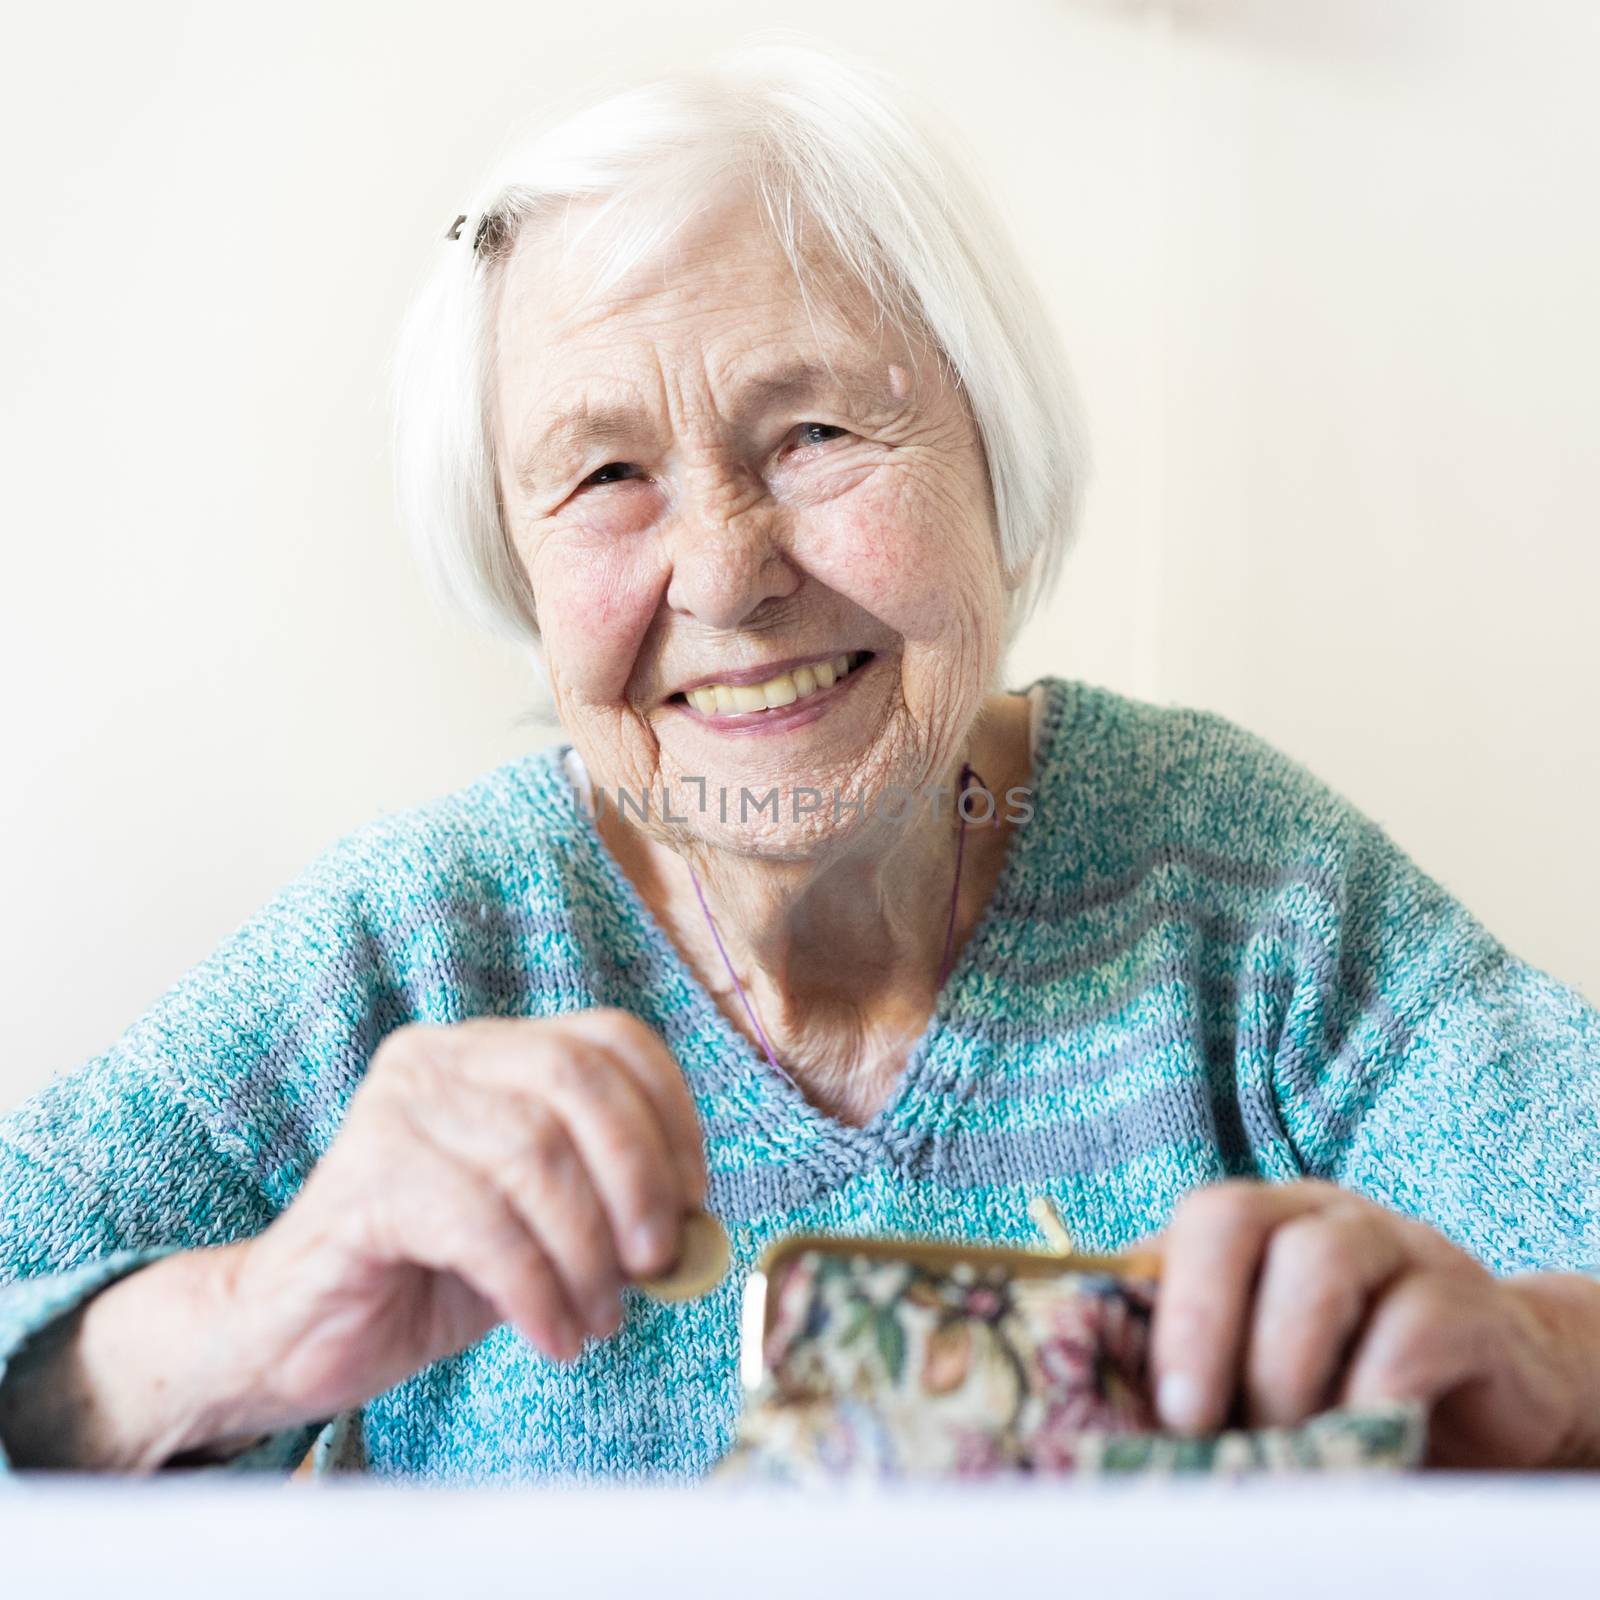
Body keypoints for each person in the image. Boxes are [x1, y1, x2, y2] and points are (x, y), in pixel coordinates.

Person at [2, 39, 1597, 1483]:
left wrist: (1536, 1362)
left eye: (817, 432)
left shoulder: (1236, 889)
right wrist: (243, 1324)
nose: (726, 571)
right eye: (606, 474)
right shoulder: (425, 949)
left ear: (997, 453)